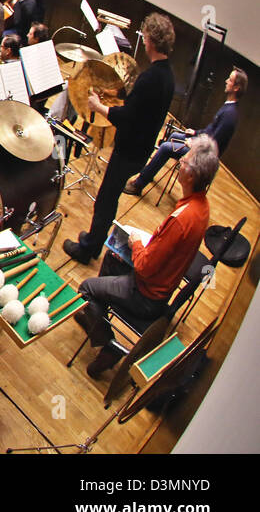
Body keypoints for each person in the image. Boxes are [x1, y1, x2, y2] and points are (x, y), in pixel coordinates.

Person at [75, 136, 217, 378]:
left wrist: (137, 243)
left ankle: (109, 346)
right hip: (159, 284)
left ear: (191, 176)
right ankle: (98, 314)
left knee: (86, 288)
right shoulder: (201, 205)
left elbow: (145, 266)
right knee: (112, 257)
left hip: (146, 295)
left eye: (183, 161)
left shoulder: (183, 218)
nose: (179, 163)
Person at [65, 14, 177, 264]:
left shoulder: (151, 77)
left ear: (151, 40)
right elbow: (141, 107)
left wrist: (98, 105)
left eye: (145, 36)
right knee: (110, 196)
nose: (144, 41)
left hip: (129, 151)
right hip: (141, 150)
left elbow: (127, 116)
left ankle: (88, 248)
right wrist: (113, 92)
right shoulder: (168, 76)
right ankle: (94, 240)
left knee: (106, 199)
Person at [125, 68, 244, 196]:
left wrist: (193, 145)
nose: (226, 81)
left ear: (236, 88)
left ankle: (139, 184)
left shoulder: (229, 115)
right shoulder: (228, 107)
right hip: (200, 145)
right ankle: (152, 169)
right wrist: (195, 133)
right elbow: (210, 131)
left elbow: (214, 145)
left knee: (165, 147)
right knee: (173, 135)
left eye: (230, 80)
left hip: (202, 157)